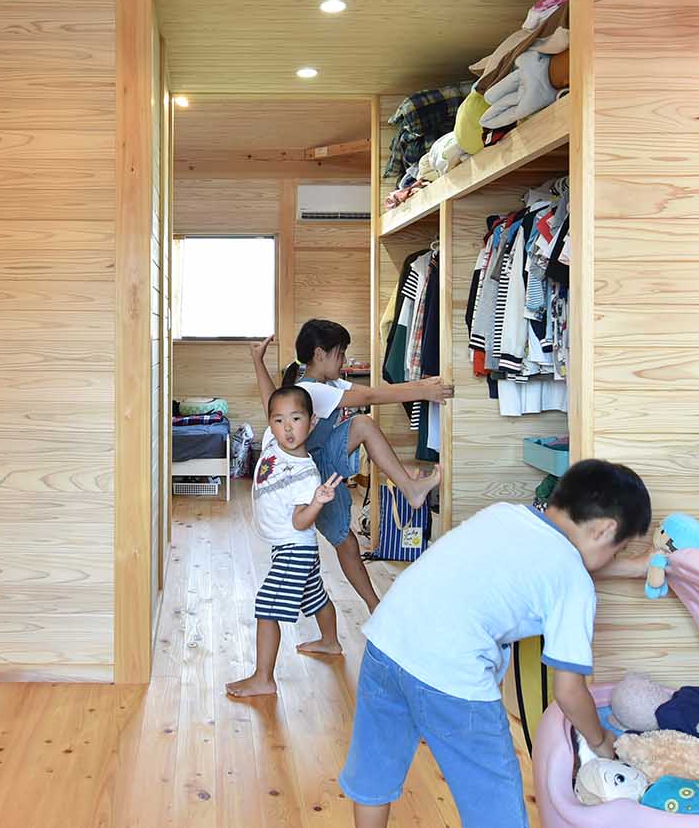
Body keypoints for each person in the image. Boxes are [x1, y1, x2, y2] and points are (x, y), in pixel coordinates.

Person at [338, 459, 653, 828]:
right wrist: (599, 740)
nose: (612, 559)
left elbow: (564, 561)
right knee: (493, 801)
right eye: (617, 550)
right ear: (605, 529)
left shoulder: (505, 514)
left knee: (375, 771)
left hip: (387, 641)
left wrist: (635, 566)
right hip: (451, 675)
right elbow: (569, 692)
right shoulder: (574, 583)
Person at [251, 320, 452, 613]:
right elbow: (371, 397)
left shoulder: (327, 385)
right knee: (344, 542)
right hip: (309, 474)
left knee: (345, 543)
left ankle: (372, 610)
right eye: (340, 353)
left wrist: (257, 361)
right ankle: (375, 607)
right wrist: (424, 391)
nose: (344, 360)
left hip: (316, 464)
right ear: (320, 354)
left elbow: (370, 390)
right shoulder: (311, 390)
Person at [226, 384, 343, 698]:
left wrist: (317, 502)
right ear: (270, 423)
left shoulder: (307, 475)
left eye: (296, 419)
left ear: (312, 422)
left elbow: (300, 521)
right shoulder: (271, 442)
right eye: (279, 420)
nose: (287, 428)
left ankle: (263, 678)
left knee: (267, 607)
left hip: (295, 546)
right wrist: (257, 361)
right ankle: (330, 642)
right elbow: (270, 398)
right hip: (288, 546)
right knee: (314, 594)